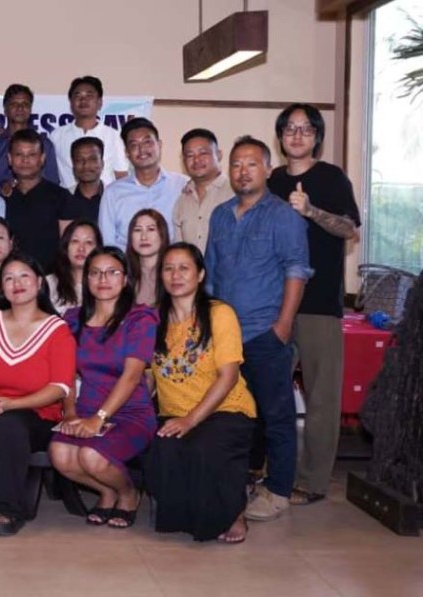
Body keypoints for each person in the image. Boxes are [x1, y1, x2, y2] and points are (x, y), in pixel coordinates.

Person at [205, 136, 312, 522]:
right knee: (234, 414)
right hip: (225, 336)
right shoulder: (219, 214)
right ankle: (245, 480)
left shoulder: (283, 216)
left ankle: (279, 489)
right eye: (236, 164)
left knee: (276, 416)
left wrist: (283, 326)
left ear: (268, 169)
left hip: (264, 333)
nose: (243, 171)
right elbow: (212, 277)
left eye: (252, 164)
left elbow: (296, 270)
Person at [269, 104, 360, 507]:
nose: (298, 135)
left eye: (307, 128)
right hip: (273, 304)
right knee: (271, 393)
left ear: (317, 136)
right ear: (281, 135)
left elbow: (349, 228)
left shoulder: (331, 178)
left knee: (322, 398)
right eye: (290, 128)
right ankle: (275, 473)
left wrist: (311, 211)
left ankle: (313, 481)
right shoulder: (271, 180)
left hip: (320, 303)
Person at [0, 252, 76, 536]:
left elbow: (60, 387)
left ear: (38, 283)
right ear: (1, 288)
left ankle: (8, 508)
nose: (17, 283)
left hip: (36, 412)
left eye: (24, 276)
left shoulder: (56, 329)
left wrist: (13, 404)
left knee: (11, 425)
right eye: (8, 278)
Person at [146, 242, 256, 543]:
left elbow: (229, 375)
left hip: (225, 408)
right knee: (162, 448)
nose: (175, 275)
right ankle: (192, 515)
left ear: (200, 274)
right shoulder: (153, 320)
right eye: (168, 268)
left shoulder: (220, 314)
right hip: (173, 412)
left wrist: (191, 420)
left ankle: (234, 511)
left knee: (204, 446)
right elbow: (147, 376)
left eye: (184, 268)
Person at [49, 247, 158, 529]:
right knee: (60, 455)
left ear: (125, 280)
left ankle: (128, 493)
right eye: (95, 273)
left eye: (112, 272)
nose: (103, 279)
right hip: (85, 409)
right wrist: (71, 413)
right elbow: (65, 373)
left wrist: (99, 417)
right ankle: (107, 491)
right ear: (86, 280)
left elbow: (132, 376)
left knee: (91, 456)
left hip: (130, 413)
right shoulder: (73, 319)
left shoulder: (140, 319)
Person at [98, 117, 188, 248]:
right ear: (127, 153)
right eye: (134, 145)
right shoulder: (113, 193)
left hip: (170, 266)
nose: (141, 150)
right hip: (127, 267)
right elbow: (107, 243)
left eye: (147, 142)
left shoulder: (182, 185)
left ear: (160, 144)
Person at [3, 128, 71, 270]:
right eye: (19, 154)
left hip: (52, 279)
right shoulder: (2, 199)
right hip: (12, 277)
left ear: (42, 159)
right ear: (10, 159)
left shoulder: (61, 197)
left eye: (32, 154)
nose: (25, 160)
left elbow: (68, 246)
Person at [48, 76, 128, 188]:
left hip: (104, 201)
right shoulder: (56, 136)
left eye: (89, 95)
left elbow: (122, 176)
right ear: (71, 103)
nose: (83, 100)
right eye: (78, 95)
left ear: (99, 103)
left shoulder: (113, 136)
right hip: (67, 201)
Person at [0, 84, 60, 191]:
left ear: (30, 110)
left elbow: (53, 185)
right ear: (5, 109)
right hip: (0, 205)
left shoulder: (44, 144)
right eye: (14, 104)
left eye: (25, 104)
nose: (20, 108)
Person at [172, 129, 233, 253]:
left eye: (203, 153)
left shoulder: (235, 193)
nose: (196, 160)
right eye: (190, 155)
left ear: (219, 155)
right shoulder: (182, 200)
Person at [46, 219, 102, 313]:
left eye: (88, 242)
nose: (81, 248)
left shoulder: (105, 283)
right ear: (65, 246)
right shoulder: (49, 284)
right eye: (75, 241)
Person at [127, 209, 170, 307]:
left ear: (162, 235)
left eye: (151, 229)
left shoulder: (173, 275)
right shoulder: (124, 276)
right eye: (137, 230)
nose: (143, 237)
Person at [62, 137, 105, 224]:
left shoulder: (115, 197)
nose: (86, 166)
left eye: (92, 159)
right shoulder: (63, 199)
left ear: (102, 164)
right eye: (80, 160)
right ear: (73, 165)